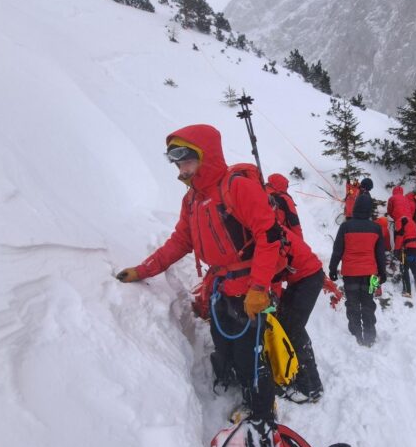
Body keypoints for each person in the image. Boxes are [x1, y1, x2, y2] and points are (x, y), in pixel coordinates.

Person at [116, 124, 287, 428]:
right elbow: (180, 242)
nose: (182, 169)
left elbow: (269, 235)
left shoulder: (236, 188)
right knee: (224, 344)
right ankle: (236, 384)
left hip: (250, 286)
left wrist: (259, 287)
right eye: (178, 163)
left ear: (205, 157)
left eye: (187, 160)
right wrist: (143, 270)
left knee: (251, 354)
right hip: (220, 287)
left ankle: (261, 412)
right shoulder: (193, 201)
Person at [328, 195, 386, 346]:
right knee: (369, 303)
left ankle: (356, 336)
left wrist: (333, 268)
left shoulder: (346, 227)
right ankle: (370, 336)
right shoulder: (376, 228)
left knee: (352, 304)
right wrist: (382, 273)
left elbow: (337, 250)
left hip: (350, 274)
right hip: (371, 274)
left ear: (355, 208)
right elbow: (380, 253)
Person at [276, 230, 325, 403]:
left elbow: (274, 272)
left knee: (293, 329)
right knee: (288, 326)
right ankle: (298, 375)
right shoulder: (271, 228)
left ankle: (310, 387)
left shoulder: (269, 233)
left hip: (308, 279)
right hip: (301, 279)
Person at [266, 173, 304, 238]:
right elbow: (294, 223)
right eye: (286, 186)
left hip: (263, 237)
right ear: (281, 185)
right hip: (283, 237)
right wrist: (301, 242)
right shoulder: (284, 199)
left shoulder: (261, 194)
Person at [394, 215, 416, 297]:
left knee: (404, 269)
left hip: (409, 249)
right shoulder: (412, 222)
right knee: (414, 266)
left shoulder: (400, 221)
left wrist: (396, 250)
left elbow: (399, 237)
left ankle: (407, 291)